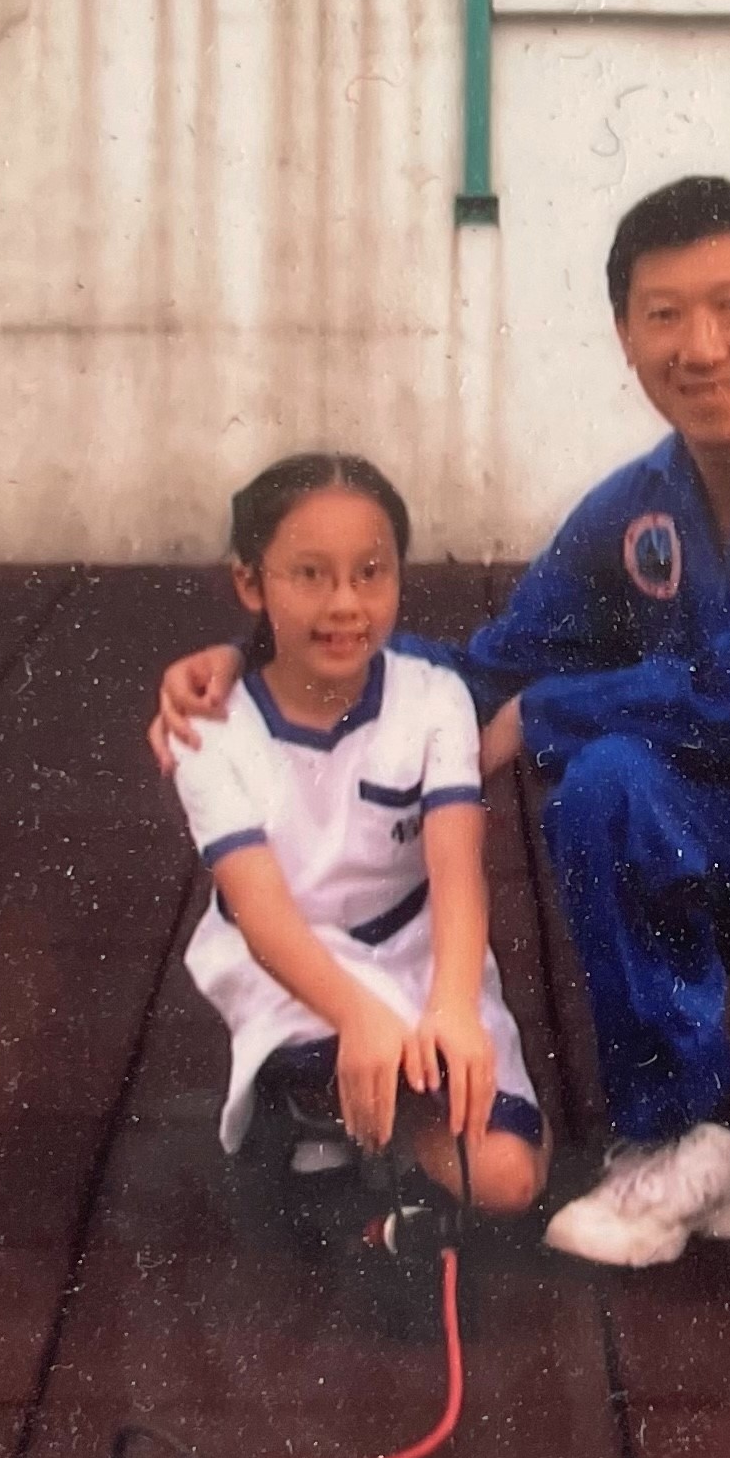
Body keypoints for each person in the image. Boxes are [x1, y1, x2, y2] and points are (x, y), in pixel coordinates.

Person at [152, 180, 730, 1270]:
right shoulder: (638, 507)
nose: (701, 346)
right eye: (664, 315)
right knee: (611, 782)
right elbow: (484, 668)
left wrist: (549, 710)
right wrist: (261, 653)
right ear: (624, 335)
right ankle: (688, 1131)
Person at [165, 451, 547, 1217]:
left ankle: (365, 1127)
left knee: (507, 1178)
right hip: (296, 961)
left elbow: (456, 867)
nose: (345, 602)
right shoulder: (210, 732)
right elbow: (263, 915)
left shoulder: (433, 698)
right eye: (310, 574)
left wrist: (448, 1008)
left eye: (371, 572)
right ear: (251, 582)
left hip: (414, 950)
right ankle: (320, 1097)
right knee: (344, 1051)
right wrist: (359, 1015)